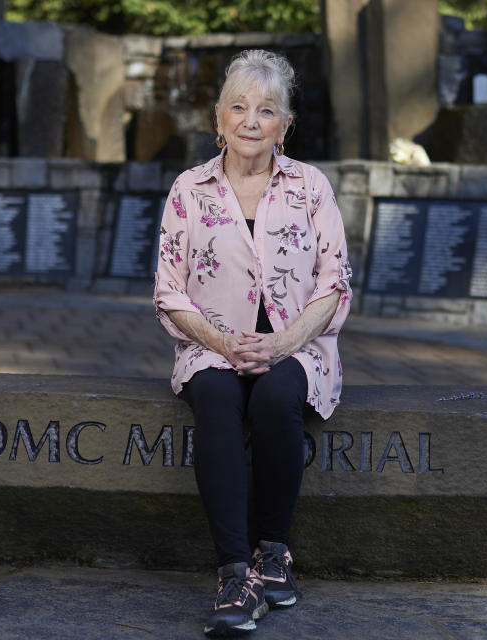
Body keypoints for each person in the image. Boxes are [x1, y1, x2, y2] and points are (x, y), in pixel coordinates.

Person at [153, 49, 352, 637]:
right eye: (238, 107)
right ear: (218, 118)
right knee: (216, 400)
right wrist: (224, 342)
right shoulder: (189, 190)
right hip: (211, 344)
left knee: (272, 400)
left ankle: (273, 551)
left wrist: (280, 344)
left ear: (284, 126)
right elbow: (168, 291)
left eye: (266, 110)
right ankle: (235, 574)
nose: (250, 120)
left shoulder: (311, 187)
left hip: (296, 345)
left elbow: (334, 284)